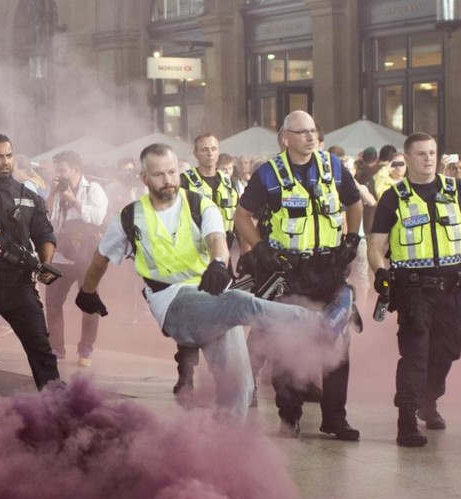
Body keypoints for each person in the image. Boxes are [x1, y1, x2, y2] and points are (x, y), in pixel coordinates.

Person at [75, 143, 347, 420]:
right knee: (240, 303)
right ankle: (320, 326)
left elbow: (216, 238)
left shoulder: (198, 204)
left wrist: (218, 263)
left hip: (213, 301)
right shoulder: (130, 216)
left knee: (240, 388)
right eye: (159, 175)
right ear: (144, 178)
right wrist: (88, 292)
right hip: (174, 304)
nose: (168, 180)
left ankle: (220, 452)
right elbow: (100, 259)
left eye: (172, 172)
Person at [233, 110, 363, 441]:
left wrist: (351, 238)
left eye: (313, 131)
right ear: (285, 138)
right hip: (287, 271)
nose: (310, 137)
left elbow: (354, 203)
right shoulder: (268, 174)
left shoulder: (333, 167)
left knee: (337, 343)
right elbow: (242, 216)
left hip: (329, 269)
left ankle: (335, 419)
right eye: (302, 132)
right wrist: (259, 248)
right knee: (286, 345)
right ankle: (289, 417)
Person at [367, 132, 461, 447]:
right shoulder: (393, 197)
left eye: (433, 152)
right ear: (407, 158)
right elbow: (375, 245)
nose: (428, 158)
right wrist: (380, 272)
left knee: (449, 350)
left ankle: (429, 399)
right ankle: (407, 420)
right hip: (413, 290)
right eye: (421, 153)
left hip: (452, 288)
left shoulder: (456, 190)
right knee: (415, 355)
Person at [0, 134, 60, 390]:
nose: (5, 162)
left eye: (8, 155)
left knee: (41, 350)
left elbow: (45, 234)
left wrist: (45, 264)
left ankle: (58, 409)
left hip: (20, 284)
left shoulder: (29, 196)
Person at [173, 133, 241, 396]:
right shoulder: (184, 182)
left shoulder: (229, 182)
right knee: (190, 317)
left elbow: (237, 219)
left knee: (221, 316)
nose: (210, 153)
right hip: (191, 259)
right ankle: (186, 375)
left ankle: (220, 375)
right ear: (195, 153)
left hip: (222, 257)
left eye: (214, 148)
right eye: (204, 149)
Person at [45, 150, 109, 366]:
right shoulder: (56, 190)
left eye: (63, 170)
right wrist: (53, 195)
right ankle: (56, 347)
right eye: (57, 170)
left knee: (89, 302)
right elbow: (46, 219)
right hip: (60, 254)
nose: (59, 174)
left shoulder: (94, 189)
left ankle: (86, 349)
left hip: (86, 256)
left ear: (76, 169)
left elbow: (98, 216)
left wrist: (72, 200)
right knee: (52, 302)